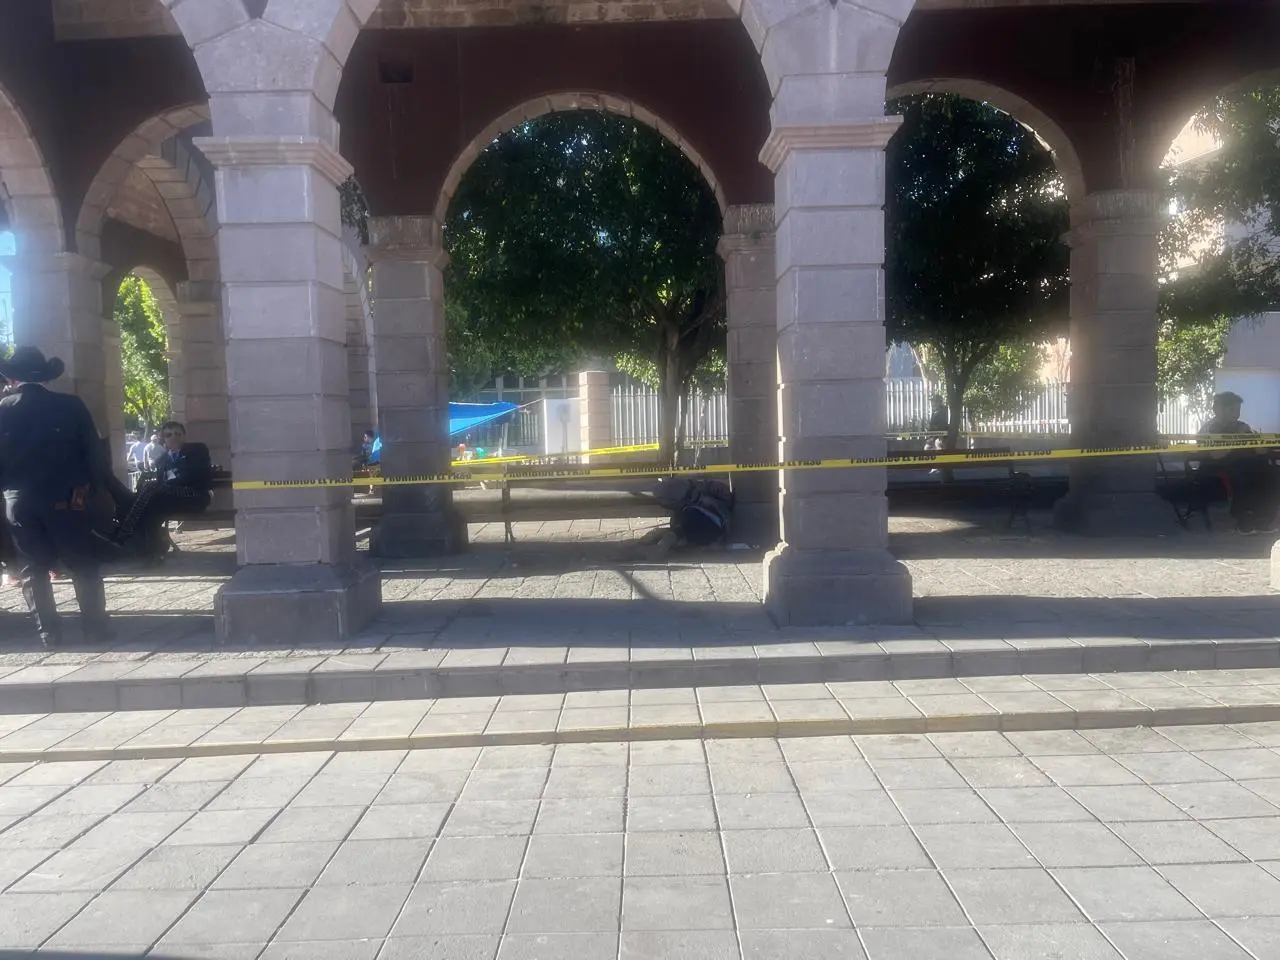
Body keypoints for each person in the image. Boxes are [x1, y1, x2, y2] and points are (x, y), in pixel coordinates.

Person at [0, 346, 111, 646]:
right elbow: (94, 454)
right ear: (46, 377)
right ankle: (95, 629)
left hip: (19, 500)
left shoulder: (3, 409)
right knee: (82, 563)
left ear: (14, 378)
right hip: (66, 497)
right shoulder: (70, 405)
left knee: (32, 567)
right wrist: (91, 489)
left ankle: (48, 634)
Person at [115, 420, 213, 557]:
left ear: (184, 436)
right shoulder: (162, 459)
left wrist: (169, 482)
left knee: (151, 486)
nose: (174, 437)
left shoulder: (197, 450)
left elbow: (196, 475)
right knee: (151, 510)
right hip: (172, 500)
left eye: (178, 434)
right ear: (164, 439)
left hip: (195, 495)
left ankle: (124, 533)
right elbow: (162, 483)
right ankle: (149, 551)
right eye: (169, 435)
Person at [1198, 391, 1277, 534]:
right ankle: (1243, 519)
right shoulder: (1210, 429)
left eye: (1238, 409)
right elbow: (1215, 455)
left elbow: (1261, 451)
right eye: (1232, 409)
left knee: (1273, 473)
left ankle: (1264, 519)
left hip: (1247, 464)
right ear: (1218, 409)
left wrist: (1256, 440)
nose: (1236, 414)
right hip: (1218, 468)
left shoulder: (1242, 426)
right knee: (1240, 473)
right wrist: (1235, 438)